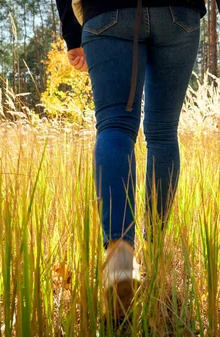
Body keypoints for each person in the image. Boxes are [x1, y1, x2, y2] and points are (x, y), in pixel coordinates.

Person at [55, 0, 210, 319]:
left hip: (108, 10)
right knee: (164, 131)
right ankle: (154, 253)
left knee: (115, 125)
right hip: (179, 13)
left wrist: (73, 33)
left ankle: (120, 255)